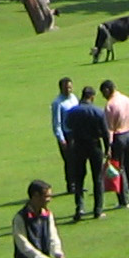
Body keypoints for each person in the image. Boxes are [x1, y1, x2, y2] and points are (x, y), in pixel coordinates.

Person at [63, 86, 109, 220]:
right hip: (94, 145)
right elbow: (105, 133)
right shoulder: (98, 111)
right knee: (97, 178)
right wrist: (107, 149)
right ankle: (98, 210)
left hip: (78, 146)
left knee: (79, 179)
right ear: (92, 97)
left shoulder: (72, 112)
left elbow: (68, 127)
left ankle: (80, 208)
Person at [100, 79, 129, 208]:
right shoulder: (127, 99)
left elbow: (109, 128)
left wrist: (108, 147)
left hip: (119, 137)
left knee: (119, 169)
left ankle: (124, 200)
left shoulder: (110, 105)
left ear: (107, 90)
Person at [49, 77, 84, 209]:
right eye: (66, 87)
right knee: (69, 161)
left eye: (70, 87)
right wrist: (61, 138)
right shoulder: (58, 103)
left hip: (76, 132)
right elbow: (56, 123)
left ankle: (78, 184)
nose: (68, 89)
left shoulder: (74, 98)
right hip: (66, 134)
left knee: (77, 159)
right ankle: (71, 185)